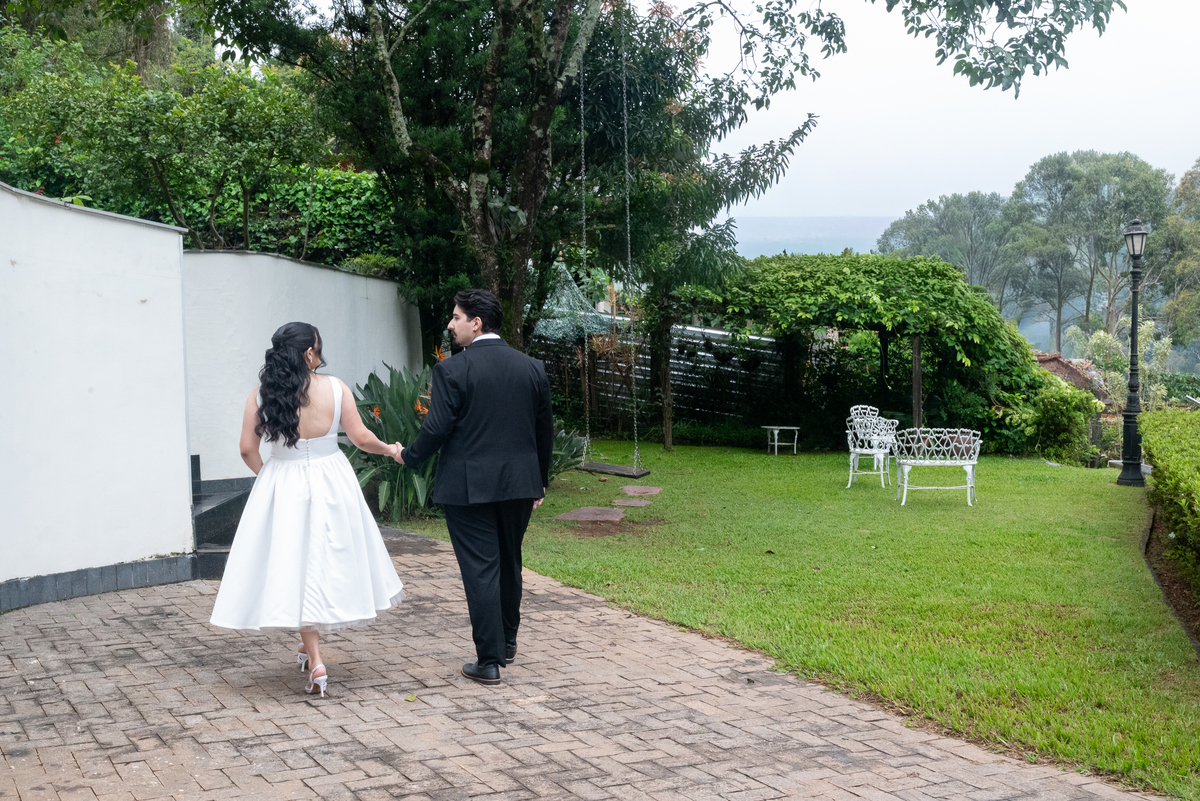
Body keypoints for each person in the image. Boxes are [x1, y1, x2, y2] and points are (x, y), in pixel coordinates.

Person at [210, 322, 405, 698]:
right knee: (326, 560)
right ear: (309, 354)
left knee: (294, 564)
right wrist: (391, 448)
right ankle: (311, 651)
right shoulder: (336, 388)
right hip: (333, 480)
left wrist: (270, 476)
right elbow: (361, 438)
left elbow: (246, 449)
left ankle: (314, 657)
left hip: (285, 481)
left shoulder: (263, 394)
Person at [398, 289, 553, 686]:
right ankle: (508, 643)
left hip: (469, 489)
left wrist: (408, 457)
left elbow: (436, 429)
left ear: (476, 323)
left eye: (456, 318)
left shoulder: (453, 371)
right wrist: (540, 483)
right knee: (509, 560)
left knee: (481, 569)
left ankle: (488, 661)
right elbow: (543, 433)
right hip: (520, 484)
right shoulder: (532, 367)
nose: (450, 325)